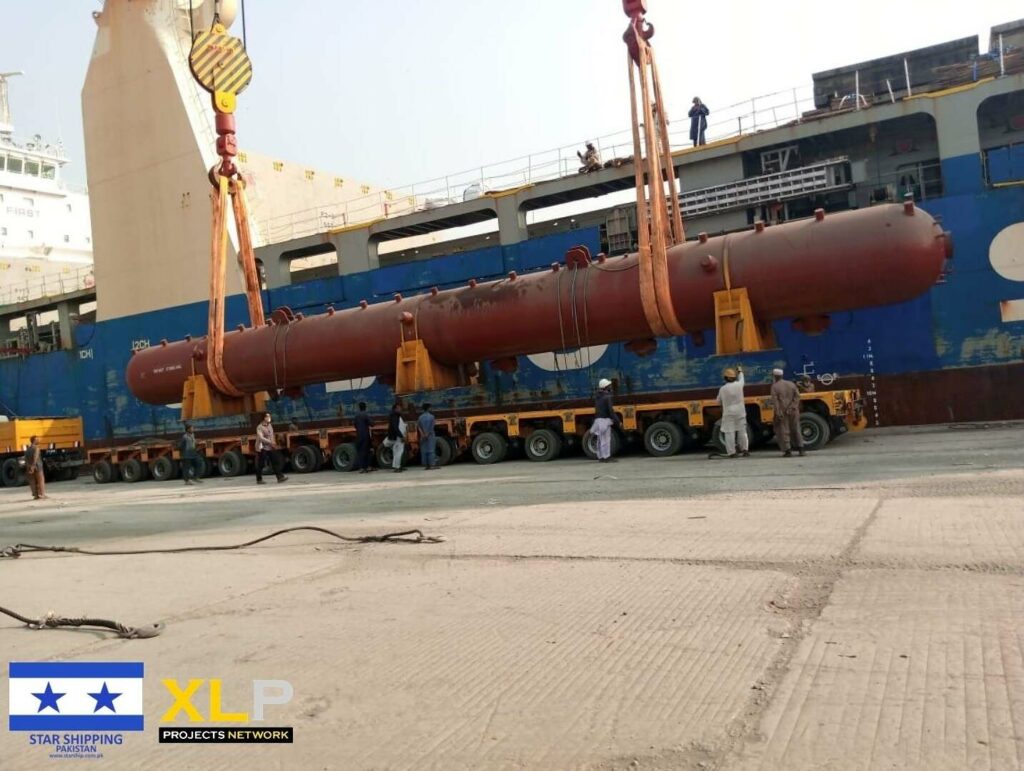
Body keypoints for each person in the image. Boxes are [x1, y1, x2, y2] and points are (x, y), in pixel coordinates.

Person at [712, 365, 749, 459]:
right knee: (742, 431)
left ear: (726, 378)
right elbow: (742, 378)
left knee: (729, 432)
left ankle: (732, 452)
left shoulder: (723, 389)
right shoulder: (739, 385)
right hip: (740, 412)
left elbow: (718, 401)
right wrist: (740, 371)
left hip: (729, 413)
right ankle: (745, 450)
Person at [770, 368, 805, 457]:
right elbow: (797, 397)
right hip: (794, 411)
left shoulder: (774, 386)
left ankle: (788, 451)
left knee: (784, 430)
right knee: (796, 429)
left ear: (775, 376)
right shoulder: (791, 384)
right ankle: (801, 449)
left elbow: (775, 401)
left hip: (782, 412)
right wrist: (792, 407)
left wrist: (778, 412)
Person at [591, 378, 622, 463]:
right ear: (605, 387)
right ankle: (606, 457)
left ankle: (600, 457)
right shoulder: (607, 397)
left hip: (598, 420)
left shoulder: (597, 397)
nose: (610, 387)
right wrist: (618, 421)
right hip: (604, 420)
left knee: (600, 439)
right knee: (606, 439)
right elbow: (611, 411)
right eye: (609, 386)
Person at [255, 413, 288, 484]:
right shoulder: (259, 427)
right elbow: (261, 438)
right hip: (262, 447)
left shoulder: (270, 425)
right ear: (264, 418)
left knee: (275, 461)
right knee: (261, 464)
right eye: (268, 416)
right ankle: (259, 479)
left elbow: (271, 435)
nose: (269, 418)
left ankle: (280, 477)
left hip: (270, 447)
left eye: (269, 416)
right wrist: (270, 442)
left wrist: (273, 443)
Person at [383, 402, 407, 473]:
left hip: (397, 437)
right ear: (395, 409)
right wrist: (401, 436)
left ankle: (397, 466)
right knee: (398, 452)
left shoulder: (396, 415)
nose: (401, 409)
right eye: (399, 408)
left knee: (396, 452)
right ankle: (397, 467)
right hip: (397, 437)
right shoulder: (395, 416)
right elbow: (395, 428)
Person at [353, 402, 374, 473]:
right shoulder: (365, 414)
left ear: (359, 407)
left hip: (359, 435)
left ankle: (361, 468)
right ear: (365, 407)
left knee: (360, 452)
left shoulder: (356, 416)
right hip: (366, 436)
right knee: (367, 451)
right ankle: (368, 467)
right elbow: (372, 424)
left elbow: (355, 425)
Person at [417, 403, 439, 470]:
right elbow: (431, 427)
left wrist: (422, 434)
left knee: (424, 450)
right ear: (428, 408)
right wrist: (427, 434)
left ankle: (426, 465)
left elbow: (419, 426)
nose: (431, 409)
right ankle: (432, 465)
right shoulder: (432, 417)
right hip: (430, 436)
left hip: (423, 436)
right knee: (431, 450)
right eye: (431, 408)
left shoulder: (420, 417)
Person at [24, 435, 45, 500]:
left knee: (32, 481)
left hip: (29, 467)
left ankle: (35, 496)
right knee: (40, 481)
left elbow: (26, 459)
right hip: (37, 466)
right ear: (34, 440)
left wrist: (29, 467)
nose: (39, 440)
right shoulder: (36, 448)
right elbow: (35, 457)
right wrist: (33, 466)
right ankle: (42, 495)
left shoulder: (27, 449)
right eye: (37, 439)